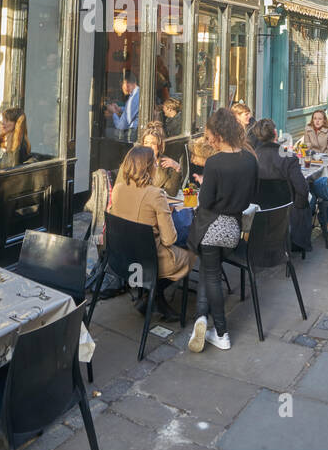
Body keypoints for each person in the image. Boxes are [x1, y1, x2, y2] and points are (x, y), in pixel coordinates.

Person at [187, 107, 257, 354]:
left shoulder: (214, 163)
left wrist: (208, 185)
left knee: (212, 275)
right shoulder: (250, 159)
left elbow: (205, 203)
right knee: (210, 270)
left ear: (218, 133)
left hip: (211, 227)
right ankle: (201, 319)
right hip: (234, 229)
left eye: (209, 135)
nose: (208, 140)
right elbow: (250, 197)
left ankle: (221, 332)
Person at [108, 146, 195, 319]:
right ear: (149, 168)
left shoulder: (118, 188)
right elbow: (170, 239)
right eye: (154, 164)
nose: (156, 166)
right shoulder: (155, 194)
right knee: (192, 254)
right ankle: (153, 297)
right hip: (148, 262)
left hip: (121, 257)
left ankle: (152, 298)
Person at [253, 118, 312, 250]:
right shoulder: (288, 158)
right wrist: (300, 207)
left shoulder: (251, 157)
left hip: (259, 209)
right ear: (275, 133)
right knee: (309, 197)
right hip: (285, 208)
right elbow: (302, 189)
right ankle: (298, 241)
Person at [140, 121, 183, 197]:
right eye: (146, 143)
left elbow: (172, 192)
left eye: (153, 143)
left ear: (159, 146)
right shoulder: (136, 161)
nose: (149, 147)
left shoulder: (165, 163)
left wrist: (177, 168)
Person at [108, 71, 141, 141]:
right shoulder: (137, 93)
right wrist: (120, 109)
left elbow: (121, 126)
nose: (121, 88)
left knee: (106, 132)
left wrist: (113, 112)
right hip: (134, 132)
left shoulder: (134, 98)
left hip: (131, 134)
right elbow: (132, 109)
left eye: (121, 85)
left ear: (126, 84)